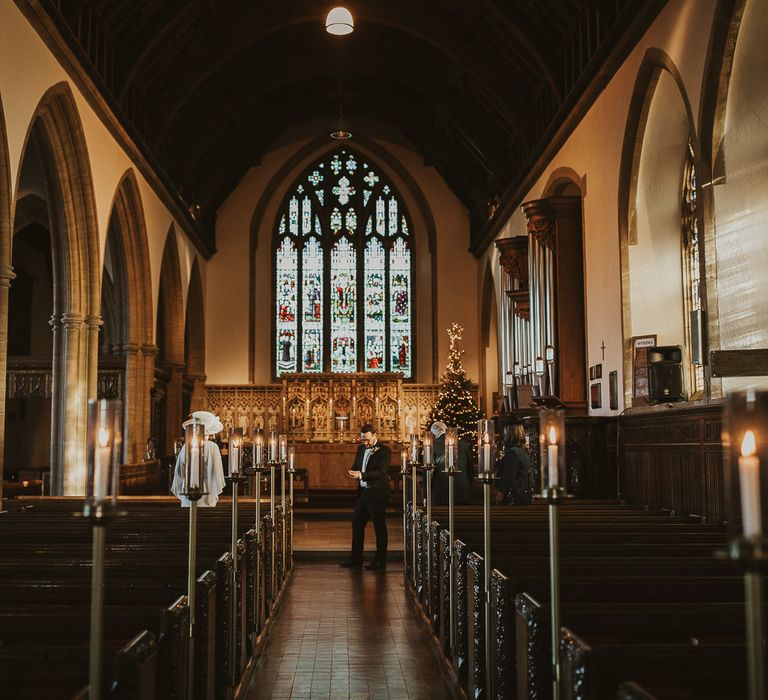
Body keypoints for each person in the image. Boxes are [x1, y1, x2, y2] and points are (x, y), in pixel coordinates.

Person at [339, 423, 392, 570]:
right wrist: (354, 471)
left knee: (379, 527)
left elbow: (381, 472)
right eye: (363, 440)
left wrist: (362, 475)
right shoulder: (361, 448)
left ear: (375, 436)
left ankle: (380, 561)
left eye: (367, 439)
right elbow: (358, 464)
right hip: (364, 493)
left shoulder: (385, 451)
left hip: (378, 493)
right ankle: (356, 558)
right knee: (357, 523)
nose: (365, 443)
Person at [171, 410, 227, 507]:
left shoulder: (186, 446)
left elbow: (179, 472)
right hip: (207, 493)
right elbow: (217, 473)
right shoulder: (212, 447)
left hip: (188, 493)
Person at [497, 423, 531, 505]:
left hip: (513, 498)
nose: (504, 436)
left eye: (506, 433)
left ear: (511, 435)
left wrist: (500, 494)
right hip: (523, 496)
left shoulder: (512, 452)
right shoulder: (524, 451)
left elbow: (508, 477)